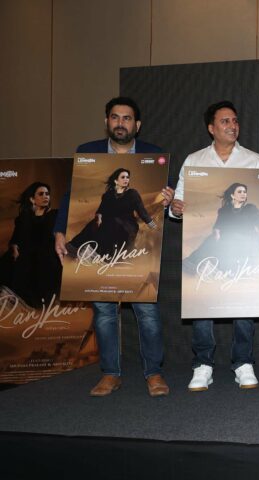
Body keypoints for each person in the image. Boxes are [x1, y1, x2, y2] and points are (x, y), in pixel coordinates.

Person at [54, 96, 170, 397]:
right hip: (105, 234)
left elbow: (148, 209)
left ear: (137, 124)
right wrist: (59, 231)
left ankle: (154, 373)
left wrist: (166, 202)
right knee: (104, 312)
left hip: (127, 236)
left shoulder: (153, 154)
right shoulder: (88, 152)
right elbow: (70, 197)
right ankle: (110, 374)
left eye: (127, 118)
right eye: (115, 117)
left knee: (147, 312)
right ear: (107, 121)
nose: (121, 123)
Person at [170, 101, 259, 391]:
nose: (232, 126)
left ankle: (243, 362)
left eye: (235, 120)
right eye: (225, 121)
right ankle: (203, 365)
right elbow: (177, 206)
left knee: (243, 298)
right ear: (211, 128)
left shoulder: (254, 160)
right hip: (216, 238)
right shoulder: (194, 160)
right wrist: (175, 208)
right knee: (202, 295)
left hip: (243, 242)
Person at [183, 182, 259, 274]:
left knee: (234, 268)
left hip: (248, 242)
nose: (243, 194)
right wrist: (216, 233)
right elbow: (218, 226)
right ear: (232, 195)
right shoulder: (224, 210)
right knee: (212, 240)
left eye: (244, 192)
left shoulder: (250, 209)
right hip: (228, 242)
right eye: (239, 192)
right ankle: (190, 266)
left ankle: (229, 268)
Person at [67, 168, 156, 257]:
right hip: (109, 222)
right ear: (116, 181)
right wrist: (98, 217)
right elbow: (101, 210)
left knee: (111, 224)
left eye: (127, 177)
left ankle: (98, 254)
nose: (126, 179)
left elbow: (142, 212)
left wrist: (153, 226)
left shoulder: (132, 194)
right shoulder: (108, 195)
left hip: (128, 225)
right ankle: (74, 248)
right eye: (123, 177)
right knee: (93, 225)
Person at [0, 182, 61, 308]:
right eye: (41, 194)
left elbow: (58, 236)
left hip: (47, 254)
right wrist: (14, 248)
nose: (45, 196)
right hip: (26, 254)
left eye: (47, 194)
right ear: (32, 199)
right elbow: (15, 239)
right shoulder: (24, 217)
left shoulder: (55, 214)